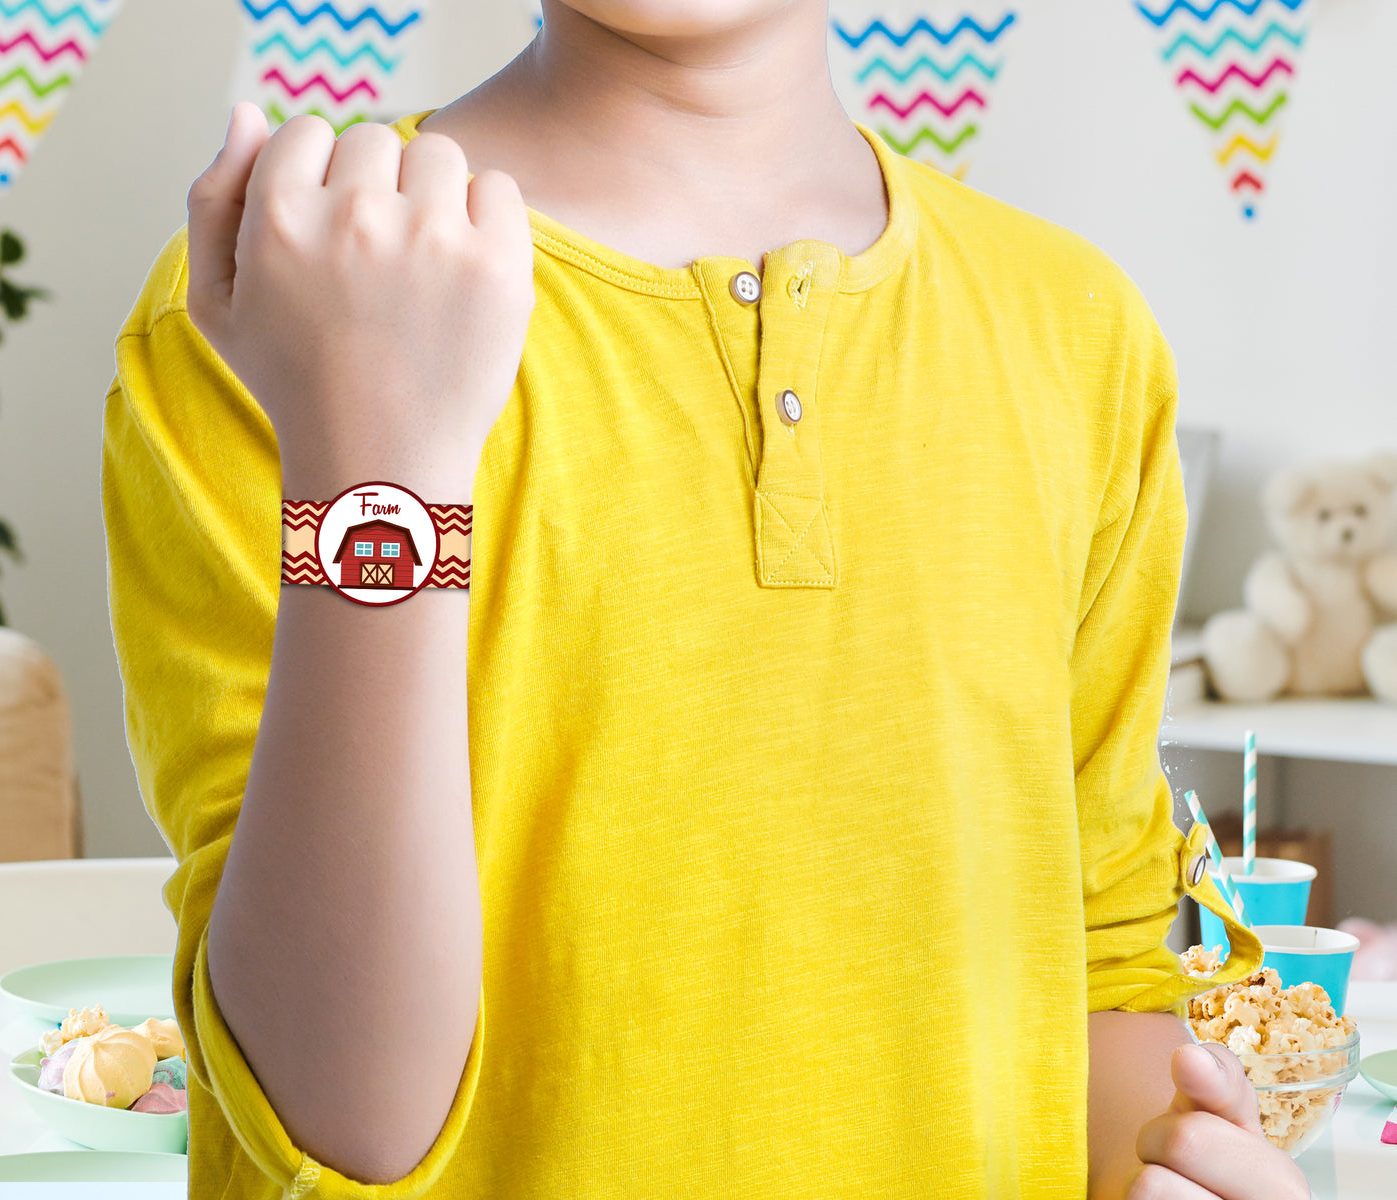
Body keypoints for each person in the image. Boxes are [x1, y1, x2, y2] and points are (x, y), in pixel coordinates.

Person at [100, 1, 1299, 1196]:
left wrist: (1167, 1164)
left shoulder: (1076, 329)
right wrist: (381, 461)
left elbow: (1099, 963)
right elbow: (342, 1122)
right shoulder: (284, 295)